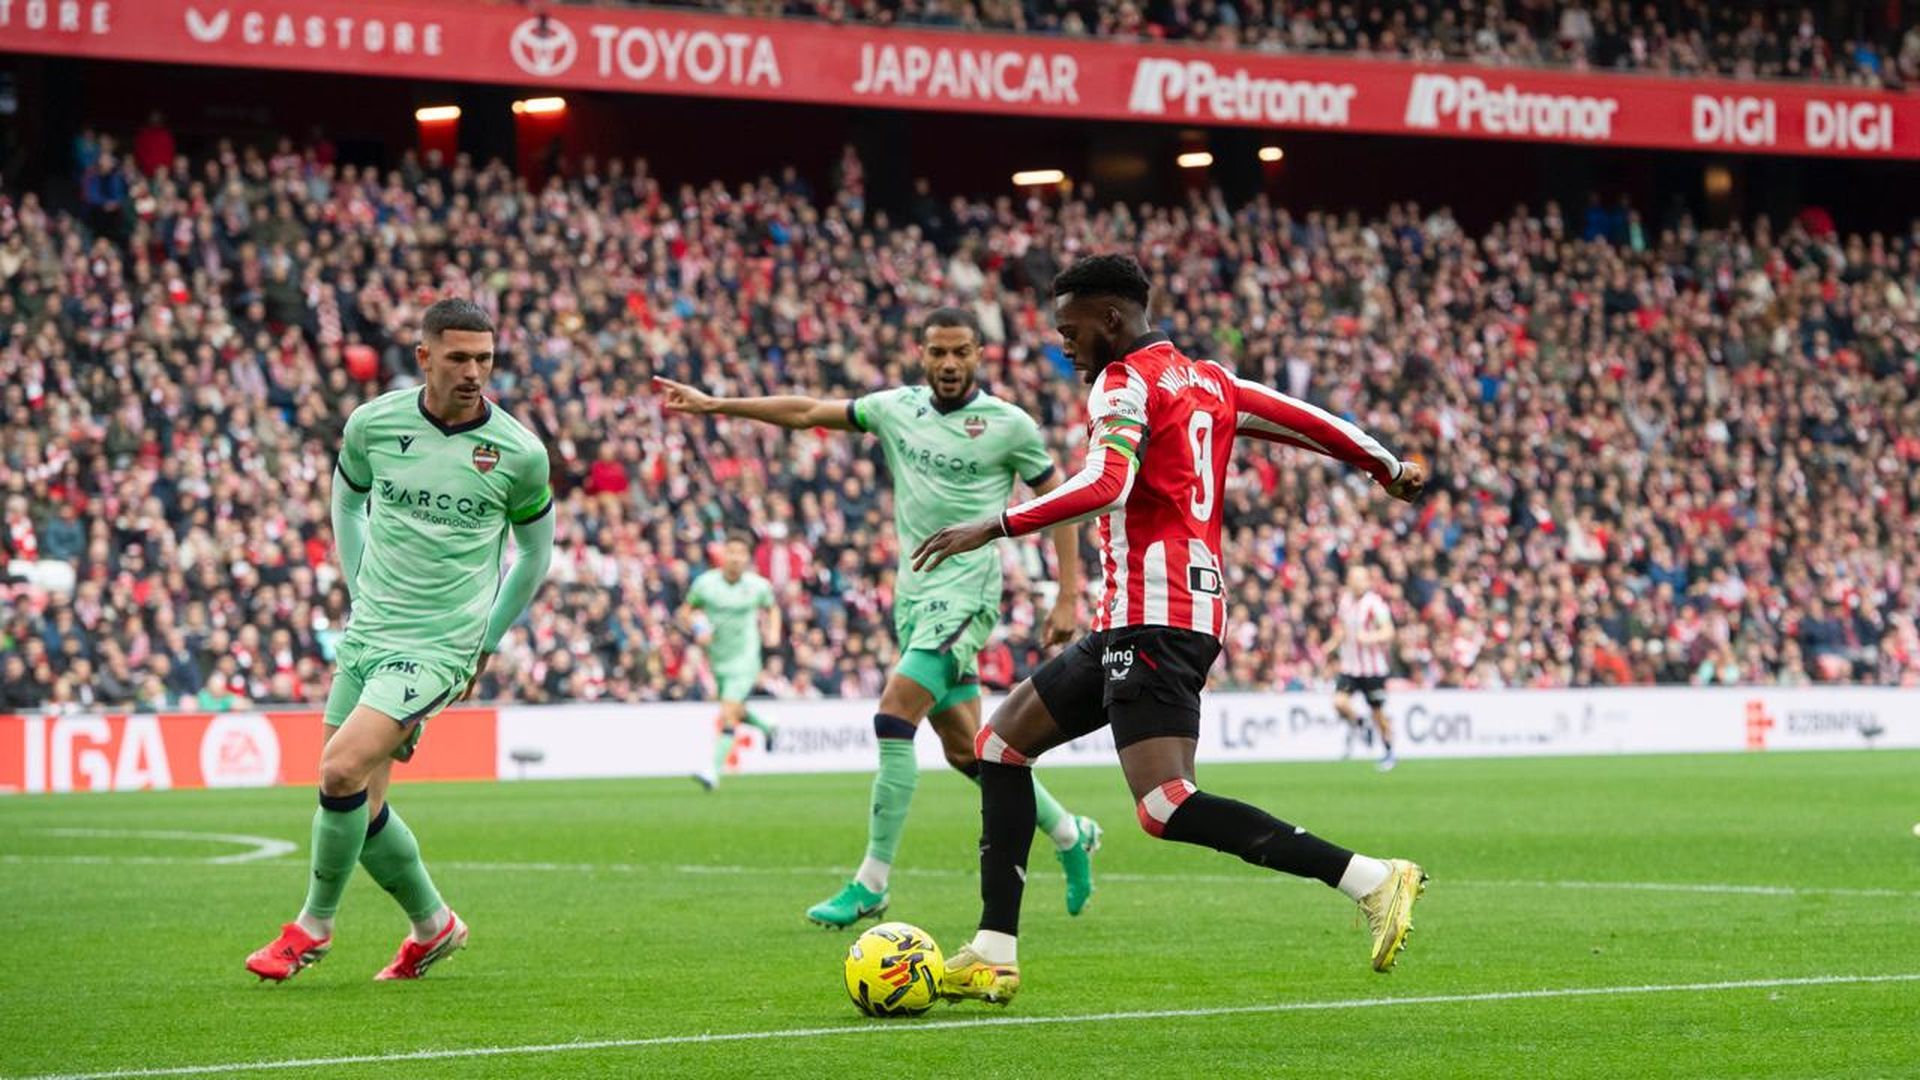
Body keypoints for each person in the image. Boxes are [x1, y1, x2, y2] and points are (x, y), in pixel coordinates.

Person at [911, 255, 1430, 1004]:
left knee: (1165, 804)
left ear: (1111, 319)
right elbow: (1304, 419)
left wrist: (993, 524)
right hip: (1147, 614)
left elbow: (1107, 483)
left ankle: (1371, 878)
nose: (1063, 344)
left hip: (1156, 615)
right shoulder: (1211, 381)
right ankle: (993, 950)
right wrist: (1386, 465)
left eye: (1071, 330)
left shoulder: (1122, 382)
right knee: (1000, 745)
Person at [654, 307, 1103, 929]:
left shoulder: (1009, 425)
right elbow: (808, 411)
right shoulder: (896, 408)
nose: (950, 363)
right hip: (913, 599)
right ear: (922, 354)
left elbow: (1060, 501)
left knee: (893, 715)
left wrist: (1068, 595)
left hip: (966, 596)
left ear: (980, 355)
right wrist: (716, 405)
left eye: (962, 351)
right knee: (969, 753)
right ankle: (1071, 833)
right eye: (938, 352)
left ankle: (871, 883)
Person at [244, 299, 555, 982]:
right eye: (458, 357)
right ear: (424, 356)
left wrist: (485, 642)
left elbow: (535, 553)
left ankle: (313, 928)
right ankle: (434, 924)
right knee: (363, 801)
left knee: (338, 771)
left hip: (439, 645)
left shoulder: (519, 453)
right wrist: (359, 584)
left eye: (484, 359)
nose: (473, 372)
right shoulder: (374, 424)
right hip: (369, 632)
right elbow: (347, 498)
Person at [682, 532, 781, 790]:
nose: (736, 558)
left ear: (747, 558)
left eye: (741, 553)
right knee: (734, 708)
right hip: (718, 658)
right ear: (723, 555)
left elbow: (772, 608)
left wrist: (773, 631)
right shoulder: (705, 584)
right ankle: (767, 726)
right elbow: (687, 610)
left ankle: (713, 772)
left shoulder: (757, 586)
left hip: (745, 659)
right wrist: (697, 627)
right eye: (731, 552)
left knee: (727, 713)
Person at [1326, 564, 1398, 770]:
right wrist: (1332, 644)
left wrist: (1369, 637)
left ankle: (1389, 751)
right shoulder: (1345, 601)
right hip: (1350, 667)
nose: (1357, 583)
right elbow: (1341, 628)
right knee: (1339, 702)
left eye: (1360, 579)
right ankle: (1360, 723)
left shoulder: (1375, 604)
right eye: (1353, 579)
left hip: (1373, 669)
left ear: (1367, 581)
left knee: (1378, 713)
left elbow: (1389, 631)